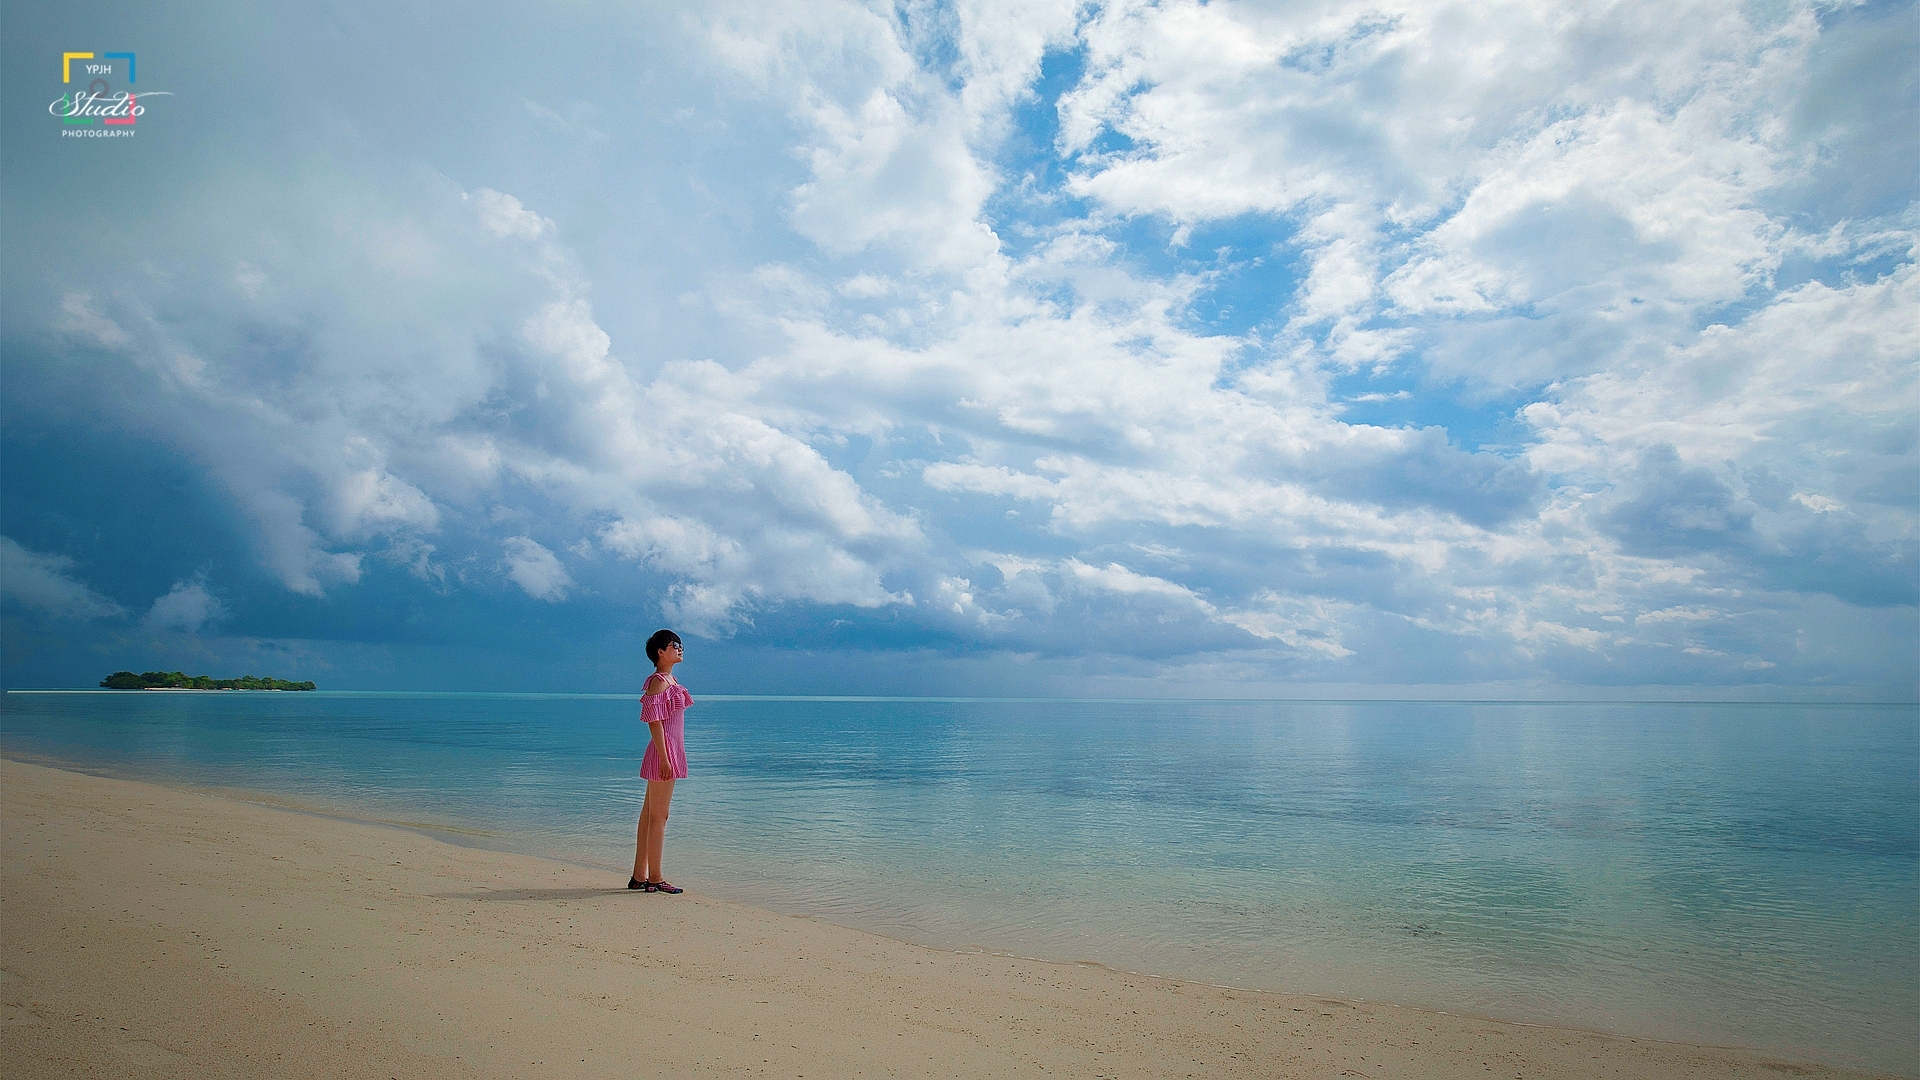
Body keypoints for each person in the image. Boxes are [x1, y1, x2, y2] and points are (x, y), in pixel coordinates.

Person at [630, 629, 692, 894]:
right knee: (659, 817)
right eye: (674, 645)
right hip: (663, 754)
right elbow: (654, 723)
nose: (679, 648)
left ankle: (638, 876)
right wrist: (665, 760)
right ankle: (655, 878)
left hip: (667, 752)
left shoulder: (670, 680)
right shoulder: (658, 682)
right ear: (660, 652)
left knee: (649, 816)